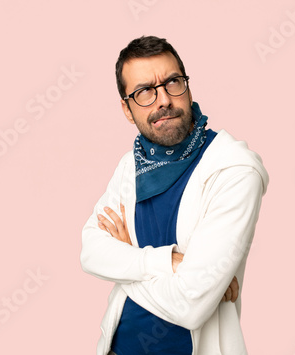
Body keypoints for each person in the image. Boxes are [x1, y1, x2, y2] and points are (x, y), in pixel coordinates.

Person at [80, 35, 269, 355]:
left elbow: (190, 304)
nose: (163, 99)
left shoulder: (234, 170)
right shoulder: (131, 166)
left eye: (172, 82)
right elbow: (91, 252)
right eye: (144, 92)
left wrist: (126, 260)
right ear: (127, 109)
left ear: (188, 88)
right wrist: (169, 262)